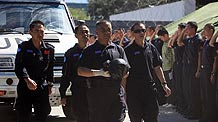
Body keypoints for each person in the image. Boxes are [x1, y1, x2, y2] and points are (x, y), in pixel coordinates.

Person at [77, 20, 129, 122]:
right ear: (97, 32)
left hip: (116, 96)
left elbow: (126, 72)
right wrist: (99, 73)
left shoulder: (118, 49)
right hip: (97, 97)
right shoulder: (89, 50)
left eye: (108, 30)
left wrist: (120, 75)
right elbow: (80, 71)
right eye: (103, 30)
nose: (106, 33)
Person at [124, 22, 171, 122]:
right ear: (133, 33)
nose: (141, 33)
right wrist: (123, 92)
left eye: (143, 30)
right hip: (134, 92)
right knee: (136, 118)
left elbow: (157, 67)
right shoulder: (127, 51)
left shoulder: (151, 48)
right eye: (137, 31)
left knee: (152, 117)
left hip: (149, 90)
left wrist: (164, 84)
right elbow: (124, 74)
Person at [15, 20, 54, 122]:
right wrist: (27, 80)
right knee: (24, 115)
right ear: (30, 32)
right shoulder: (23, 47)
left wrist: (50, 84)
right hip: (26, 86)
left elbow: (50, 68)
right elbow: (19, 66)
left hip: (41, 86)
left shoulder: (49, 49)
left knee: (42, 114)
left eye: (42, 31)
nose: (39, 34)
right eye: (36, 31)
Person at [59, 24, 90, 122]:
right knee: (81, 117)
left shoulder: (94, 51)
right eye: (82, 32)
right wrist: (63, 94)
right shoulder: (70, 53)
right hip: (78, 91)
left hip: (93, 91)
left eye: (87, 32)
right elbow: (66, 75)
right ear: (76, 35)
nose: (85, 34)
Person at [177, 21, 203, 119]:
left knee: (193, 91)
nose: (186, 30)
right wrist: (183, 31)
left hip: (193, 67)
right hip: (186, 67)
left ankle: (195, 112)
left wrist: (198, 69)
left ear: (193, 29)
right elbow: (179, 42)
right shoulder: (188, 40)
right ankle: (189, 109)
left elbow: (200, 56)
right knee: (187, 89)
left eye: (188, 28)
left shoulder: (198, 39)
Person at [199, 24, 217, 122]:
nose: (204, 32)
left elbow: (215, 60)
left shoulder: (214, 43)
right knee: (204, 94)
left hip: (209, 71)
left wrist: (213, 74)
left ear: (211, 30)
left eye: (206, 30)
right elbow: (202, 35)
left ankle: (211, 117)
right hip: (204, 70)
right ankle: (205, 116)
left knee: (209, 95)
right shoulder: (205, 41)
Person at [157, 27, 174, 105]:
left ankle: (172, 101)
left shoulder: (171, 42)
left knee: (171, 85)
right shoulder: (164, 43)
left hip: (170, 66)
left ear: (166, 35)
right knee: (166, 84)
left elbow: (173, 56)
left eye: (162, 37)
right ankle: (168, 100)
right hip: (165, 67)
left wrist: (173, 67)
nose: (162, 40)